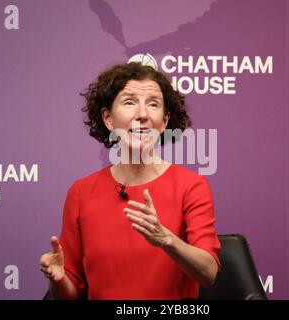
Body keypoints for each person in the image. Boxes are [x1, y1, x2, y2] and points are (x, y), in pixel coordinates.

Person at [39, 62, 221, 300]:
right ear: (108, 119)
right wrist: (60, 278)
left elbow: (208, 273)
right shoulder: (81, 192)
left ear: (164, 122)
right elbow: (70, 294)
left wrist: (168, 240)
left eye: (153, 104)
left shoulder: (191, 186)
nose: (143, 115)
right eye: (129, 102)